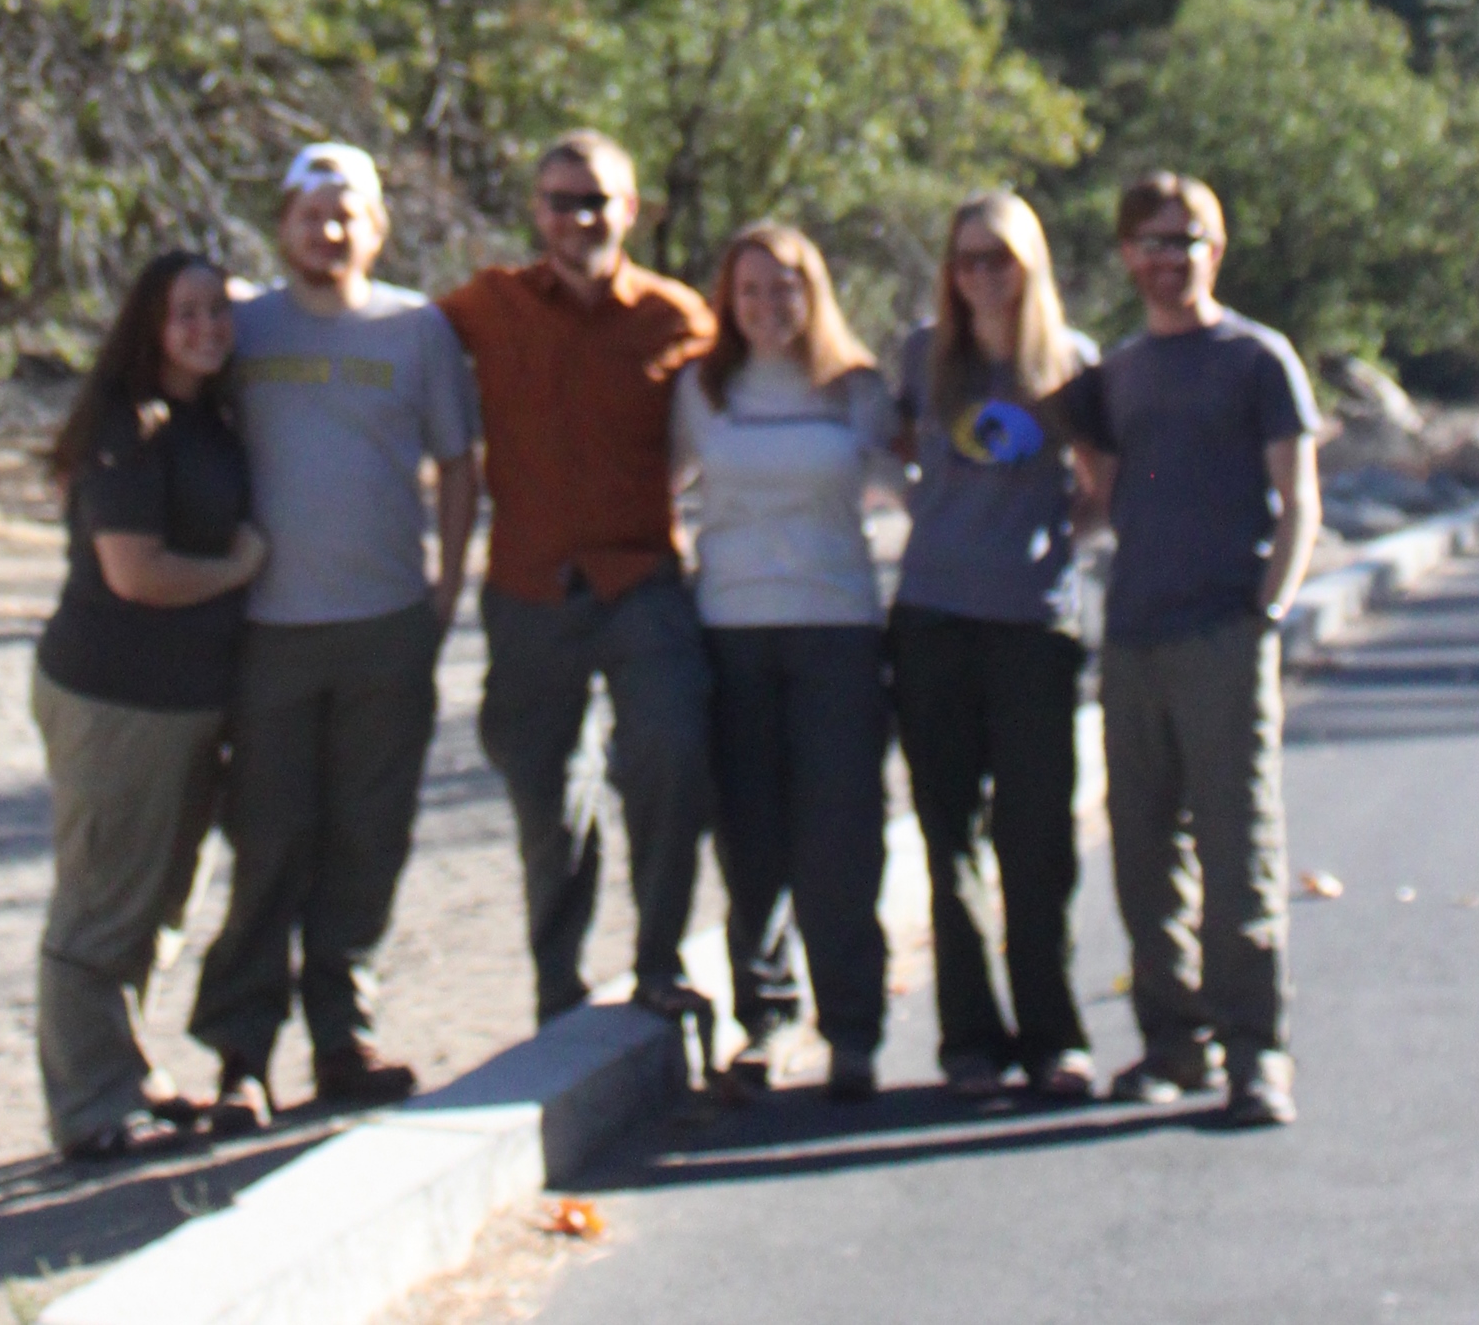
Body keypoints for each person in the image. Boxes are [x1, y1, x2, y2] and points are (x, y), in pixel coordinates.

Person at [191, 143, 480, 1122]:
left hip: (385, 625)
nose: (329, 229)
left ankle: (343, 1034)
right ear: (282, 224)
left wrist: (445, 592)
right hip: (269, 630)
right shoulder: (245, 326)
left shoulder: (418, 329)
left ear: (378, 225)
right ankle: (239, 1050)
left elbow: (457, 462)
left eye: (347, 211)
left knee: (368, 836)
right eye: (311, 211)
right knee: (268, 838)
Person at [1056, 170, 1322, 1129]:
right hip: (1132, 635)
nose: (1170, 259)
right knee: (1141, 854)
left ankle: (1257, 1054)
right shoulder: (1118, 373)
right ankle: (1172, 1043)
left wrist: (1269, 609)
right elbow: (1099, 500)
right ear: (1127, 254)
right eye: (1152, 243)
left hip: (1222, 631)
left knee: (1236, 848)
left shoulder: (1257, 360)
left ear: (1219, 247)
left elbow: (1298, 500)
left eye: (1188, 240)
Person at [440, 129, 716, 1025]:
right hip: (528, 588)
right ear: (537, 213)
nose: (578, 218)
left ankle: (658, 961)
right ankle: (557, 984)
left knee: (670, 756)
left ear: (630, 210)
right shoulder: (488, 307)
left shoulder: (677, 318)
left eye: (596, 200)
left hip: (641, 580)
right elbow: (394, 344)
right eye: (561, 201)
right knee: (544, 792)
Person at [31, 249, 265, 1164]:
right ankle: (88, 1106)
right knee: (101, 900)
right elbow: (136, 573)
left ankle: (123, 1072)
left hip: (186, 701)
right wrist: (241, 567)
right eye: (185, 314)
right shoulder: (127, 430)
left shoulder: (208, 416)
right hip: (115, 697)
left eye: (218, 311)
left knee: (157, 898)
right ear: (149, 326)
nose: (205, 328)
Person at [671, 222, 898, 1094]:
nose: (769, 306)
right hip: (730, 628)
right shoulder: (702, 388)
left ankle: (853, 1028)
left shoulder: (854, 388)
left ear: (815, 293)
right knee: (750, 837)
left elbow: (912, 479)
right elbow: (655, 484)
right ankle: (765, 1020)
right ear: (728, 300)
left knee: (840, 834)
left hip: (836, 628)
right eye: (751, 289)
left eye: (786, 287)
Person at [889, 189, 1097, 1101]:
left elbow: (1102, 482)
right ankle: (969, 1039)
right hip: (932, 617)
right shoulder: (920, 356)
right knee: (949, 837)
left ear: (1029, 265)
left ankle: (1053, 1033)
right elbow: (892, 447)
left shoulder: (1071, 364)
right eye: (966, 259)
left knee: (1037, 837)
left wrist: (1058, 546)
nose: (981, 276)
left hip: (1032, 625)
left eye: (998, 259)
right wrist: (929, 515)